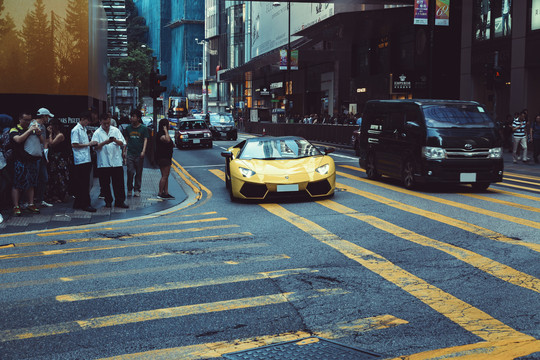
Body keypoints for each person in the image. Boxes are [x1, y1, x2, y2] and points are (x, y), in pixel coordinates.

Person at [91, 113, 128, 208]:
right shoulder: (97, 133)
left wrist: (114, 140)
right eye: (104, 124)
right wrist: (105, 142)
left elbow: (122, 143)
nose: (107, 125)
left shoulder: (115, 130)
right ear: (100, 122)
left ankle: (120, 201)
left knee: (119, 183)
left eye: (108, 123)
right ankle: (108, 201)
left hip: (116, 162)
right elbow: (94, 147)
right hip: (103, 162)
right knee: (105, 184)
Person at [10, 111, 43, 216]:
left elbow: (42, 141)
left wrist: (38, 133)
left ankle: (30, 204)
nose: (27, 122)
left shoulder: (33, 129)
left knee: (31, 183)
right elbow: (18, 140)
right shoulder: (14, 129)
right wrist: (29, 130)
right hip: (19, 161)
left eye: (29, 120)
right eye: (25, 120)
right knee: (17, 184)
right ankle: (16, 206)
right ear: (20, 119)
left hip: (32, 160)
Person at [71, 111, 98, 212]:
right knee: (84, 182)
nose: (88, 123)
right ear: (83, 119)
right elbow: (74, 144)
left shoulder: (83, 129)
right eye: (87, 120)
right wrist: (89, 144)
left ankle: (78, 202)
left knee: (83, 182)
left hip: (86, 158)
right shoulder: (76, 130)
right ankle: (85, 204)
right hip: (80, 159)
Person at [124, 109, 149, 197]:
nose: (131, 118)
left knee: (139, 172)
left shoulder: (144, 128)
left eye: (133, 116)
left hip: (139, 153)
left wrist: (143, 151)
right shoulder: (128, 128)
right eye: (131, 116)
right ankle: (129, 188)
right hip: (130, 153)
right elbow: (126, 140)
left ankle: (137, 189)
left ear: (138, 118)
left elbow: (146, 139)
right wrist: (124, 151)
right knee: (130, 171)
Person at [46, 118, 70, 203]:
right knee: (54, 176)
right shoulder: (54, 134)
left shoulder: (60, 135)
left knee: (61, 177)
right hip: (54, 158)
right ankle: (55, 195)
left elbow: (52, 144)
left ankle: (62, 195)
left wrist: (49, 134)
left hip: (60, 159)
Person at [35, 108, 53, 207]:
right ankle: (28, 201)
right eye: (47, 116)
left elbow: (45, 142)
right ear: (43, 116)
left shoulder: (43, 127)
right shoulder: (33, 125)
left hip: (41, 155)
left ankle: (40, 199)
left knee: (44, 178)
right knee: (34, 178)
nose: (48, 119)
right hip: (34, 155)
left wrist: (45, 155)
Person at [155, 118, 174, 199]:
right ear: (164, 126)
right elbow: (167, 140)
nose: (169, 126)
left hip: (166, 157)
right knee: (164, 176)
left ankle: (166, 192)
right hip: (164, 158)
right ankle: (160, 193)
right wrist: (166, 130)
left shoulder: (161, 133)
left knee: (165, 176)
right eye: (168, 124)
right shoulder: (161, 134)